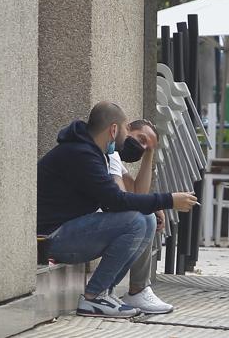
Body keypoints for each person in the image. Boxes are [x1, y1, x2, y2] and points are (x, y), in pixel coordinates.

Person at [38, 101, 197, 318]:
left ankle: (106, 292)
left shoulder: (91, 152)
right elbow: (115, 201)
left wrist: (156, 204)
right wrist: (168, 200)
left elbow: (117, 200)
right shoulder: (81, 154)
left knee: (146, 220)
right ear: (114, 130)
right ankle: (94, 298)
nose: (126, 137)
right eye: (125, 130)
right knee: (135, 221)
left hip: (66, 231)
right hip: (51, 238)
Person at [107, 119, 173, 314]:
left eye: (145, 146)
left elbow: (138, 192)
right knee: (143, 216)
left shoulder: (115, 157)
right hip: (82, 225)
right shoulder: (108, 153)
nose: (141, 146)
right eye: (141, 138)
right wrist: (159, 202)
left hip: (98, 221)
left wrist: (150, 152)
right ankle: (132, 290)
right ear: (127, 129)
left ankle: (137, 290)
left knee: (146, 215)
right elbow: (125, 200)